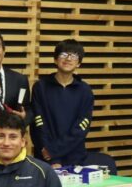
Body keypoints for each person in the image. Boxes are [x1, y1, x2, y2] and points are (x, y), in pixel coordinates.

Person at [31, 38, 94, 167]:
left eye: (74, 56)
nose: (68, 58)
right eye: (64, 54)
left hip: (74, 157)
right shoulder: (40, 87)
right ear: (55, 60)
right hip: (45, 156)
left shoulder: (85, 90)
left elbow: (81, 127)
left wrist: (54, 151)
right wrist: (51, 156)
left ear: (79, 63)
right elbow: (38, 123)